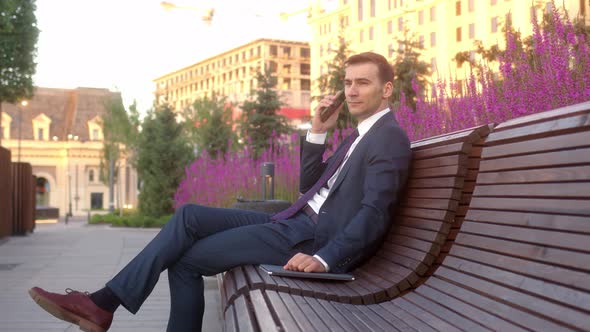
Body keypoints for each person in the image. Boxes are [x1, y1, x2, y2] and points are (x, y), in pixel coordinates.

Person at [28, 51, 412, 332]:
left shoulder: (388, 138)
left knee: (185, 262)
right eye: (348, 82)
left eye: (362, 83)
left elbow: (375, 212)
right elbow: (308, 188)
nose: (352, 91)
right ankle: (102, 304)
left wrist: (326, 259)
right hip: (294, 220)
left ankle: (102, 304)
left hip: (309, 237)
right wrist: (317, 132)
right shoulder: (360, 136)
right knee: (189, 215)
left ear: (387, 88)